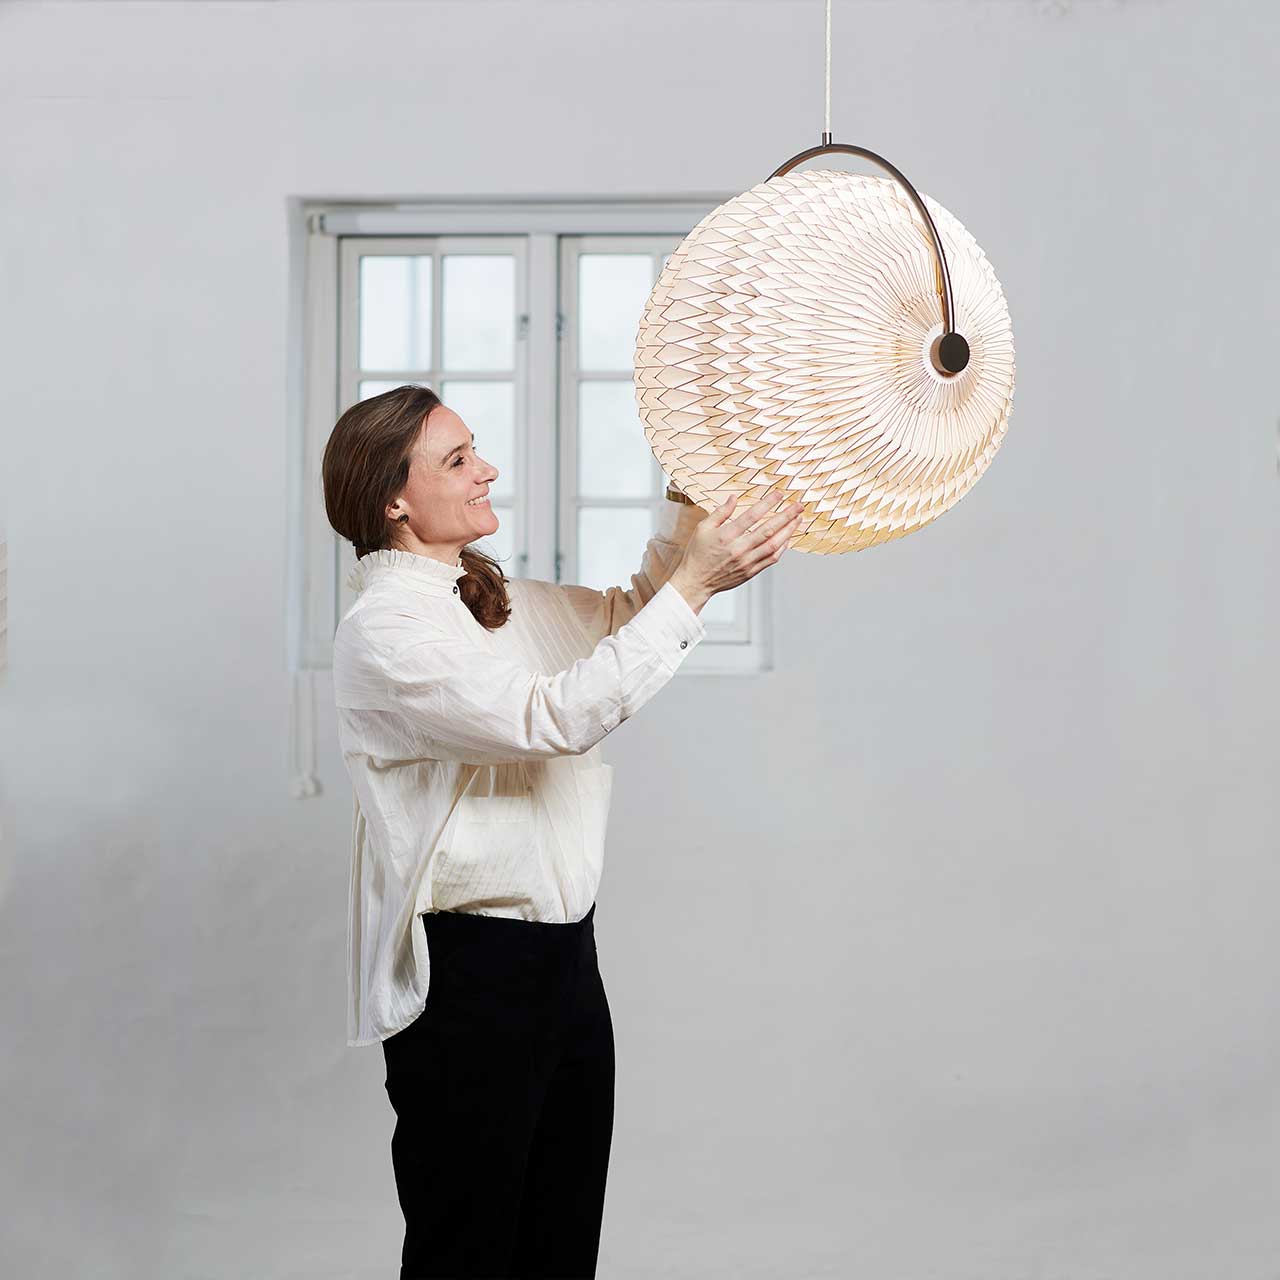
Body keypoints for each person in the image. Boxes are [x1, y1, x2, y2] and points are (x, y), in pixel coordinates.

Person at [322, 384, 803, 1279]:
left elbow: (627, 619)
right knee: (466, 1257)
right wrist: (699, 580)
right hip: (471, 978)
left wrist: (691, 493)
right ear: (393, 500)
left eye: (474, 449)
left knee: (559, 1247)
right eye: (457, 459)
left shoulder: (489, 597)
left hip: (565, 965)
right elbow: (551, 719)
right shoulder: (386, 632)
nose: (487, 469)